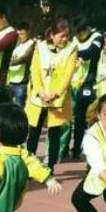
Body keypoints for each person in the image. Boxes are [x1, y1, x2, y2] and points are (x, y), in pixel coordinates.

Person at [25, 19, 77, 174]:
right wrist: (40, 91)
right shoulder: (40, 47)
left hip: (57, 99)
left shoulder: (72, 49)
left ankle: (50, 167)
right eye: (61, 36)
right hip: (38, 98)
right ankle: (30, 166)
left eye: (67, 36)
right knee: (33, 133)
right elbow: (34, 70)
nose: (65, 39)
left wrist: (55, 93)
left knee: (54, 134)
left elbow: (68, 74)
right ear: (52, 35)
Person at [70, 20, 103, 160]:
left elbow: (92, 53)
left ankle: (92, 150)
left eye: (80, 34)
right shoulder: (75, 39)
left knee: (90, 119)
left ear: (86, 30)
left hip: (90, 83)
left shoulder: (97, 37)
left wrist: (74, 53)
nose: (77, 37)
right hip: (73, 83)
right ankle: (75, 148)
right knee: (76, 119)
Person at [7, 21, 34, 108]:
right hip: (10, 80)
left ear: (28, 32)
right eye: (18, 34)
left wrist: (10, 63)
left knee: (19, 108)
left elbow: (24, 58)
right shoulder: (16, 45)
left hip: (21, 82)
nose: (20, 36)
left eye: (22, 34)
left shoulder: (32, 44)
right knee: (8, 107)